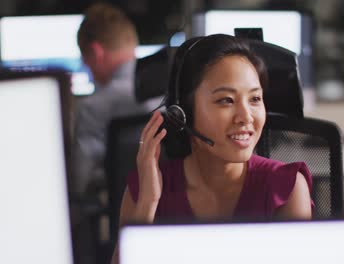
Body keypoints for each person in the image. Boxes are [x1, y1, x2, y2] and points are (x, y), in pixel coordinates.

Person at [111, 34, 313, 263]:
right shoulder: (145, 190)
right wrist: (148, 205)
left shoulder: (285, 188)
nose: (246, 117)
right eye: (226, 100)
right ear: (183, 112)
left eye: (255, 99)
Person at [72, 3, 158, 195]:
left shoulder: (92, 107)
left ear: (96, 52)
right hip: (168, 213)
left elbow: (80, 182)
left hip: (117, 216)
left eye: (84, 59)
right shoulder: (169, 94)